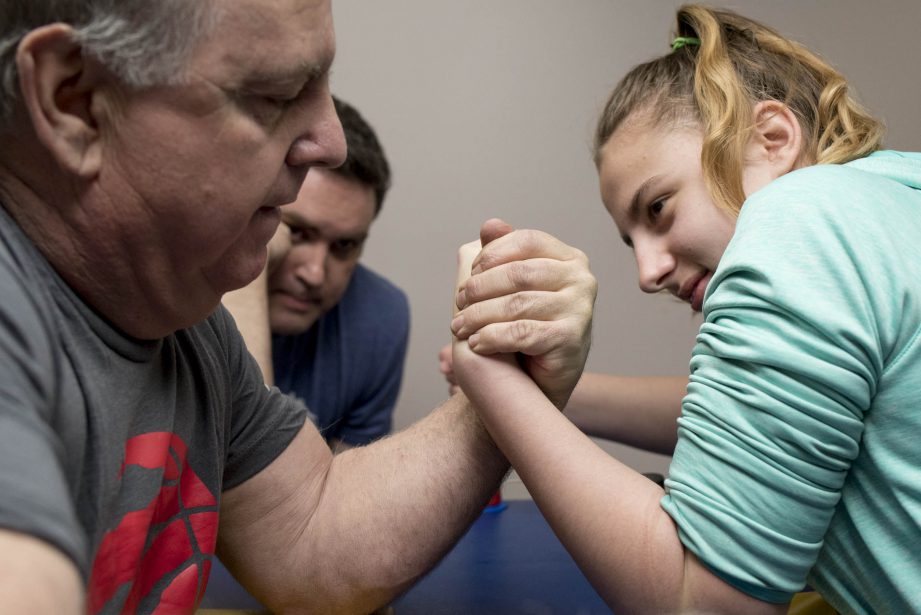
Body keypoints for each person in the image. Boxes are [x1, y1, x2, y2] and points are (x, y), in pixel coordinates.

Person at [0, 2, 597, 614]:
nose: (330, 143)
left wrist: (504, 378)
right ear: (71, 99)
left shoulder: (184, 323)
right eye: (276, 93)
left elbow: (311, 538)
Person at [449, 4, 921, 614]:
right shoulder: (895, 190)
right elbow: (780, 419)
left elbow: (700, 603)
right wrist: (556, 392)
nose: (648, 274)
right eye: (632, 241)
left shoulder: (796, 220)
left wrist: (491, 379)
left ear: (771, 139)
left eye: (659, 209)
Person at [227, 95, 409, 452]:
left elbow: (347, 501)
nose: (314, 274)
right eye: (297, 232)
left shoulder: (380, 318)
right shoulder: (183, 302)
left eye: (344, 246)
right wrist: (248, 275)